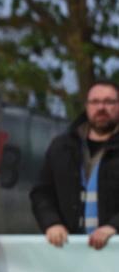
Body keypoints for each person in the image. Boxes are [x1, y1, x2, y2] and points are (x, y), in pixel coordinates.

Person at [30, 80, 119, 250]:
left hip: (115, 251)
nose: (101, 107)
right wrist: (52, 223)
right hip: (70, 251)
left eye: (109, 102)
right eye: (95, 102)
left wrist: (114, 226)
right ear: (87, 106)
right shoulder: (62, 146)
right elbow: (42, 193)